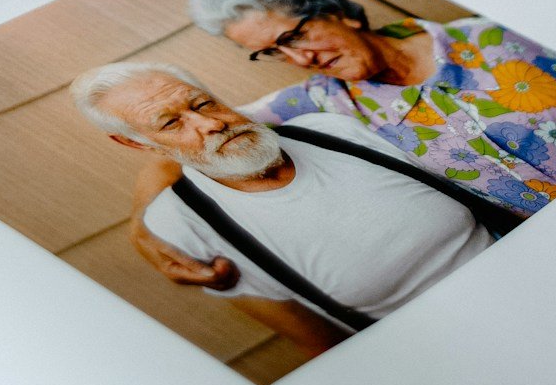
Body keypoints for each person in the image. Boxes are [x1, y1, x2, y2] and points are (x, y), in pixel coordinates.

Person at [128, 0, 556, 292]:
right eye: (273, 51)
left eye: (296, 33)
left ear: (340, 13)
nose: (300, 57)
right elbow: (186, 136)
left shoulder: (493, 35)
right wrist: (143, 230)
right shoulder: (321, 101)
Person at [72, 61, 504, 359]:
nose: (210, 123)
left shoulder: (326, 127)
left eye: (202, 103)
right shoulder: (180, 225)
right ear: (134, 143)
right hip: (441, 352)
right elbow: (321, 343)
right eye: (170, 123)